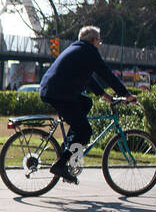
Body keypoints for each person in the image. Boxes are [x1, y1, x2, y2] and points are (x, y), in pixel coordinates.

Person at [37, 26, 137, 184]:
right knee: (85, 131)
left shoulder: (77, 49)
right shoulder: (89, 51)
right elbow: (106, 74)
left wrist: (105, 96)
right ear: (93, 40)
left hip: (55, 90)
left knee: (86, 103)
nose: (99, 43)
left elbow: (89, 78)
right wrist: (126, 94)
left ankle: (68, 146)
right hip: (60, 93)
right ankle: (60, 164)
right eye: (99, 40)